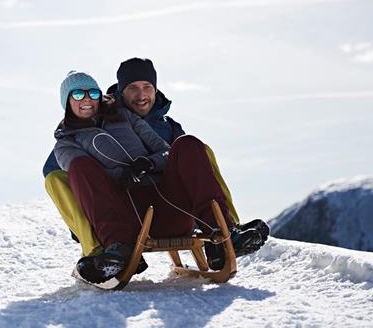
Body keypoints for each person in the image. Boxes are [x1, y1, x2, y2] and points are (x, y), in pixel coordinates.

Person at [43, 58, 269, 258]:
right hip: (125, 214)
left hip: (169, 206)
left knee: (190, 144)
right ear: (66, 102)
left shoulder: (129, 118)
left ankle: (223, 232)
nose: (87, 99)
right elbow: (72, 178)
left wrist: (150, 162)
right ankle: (110, 250)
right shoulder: (67, 142)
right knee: (73, 170)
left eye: (92, 93)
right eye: (78, 94)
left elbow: (171, 154)